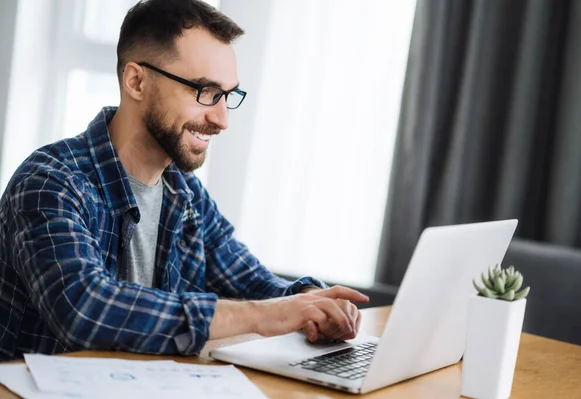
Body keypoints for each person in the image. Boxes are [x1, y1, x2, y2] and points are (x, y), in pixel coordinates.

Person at [0, 0, 369, 361]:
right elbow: (84, 309)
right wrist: (265, 314)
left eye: (227, 95)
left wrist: (311, 302)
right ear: (136, 81)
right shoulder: (50, 182)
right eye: (205, 92)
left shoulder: (184, 191)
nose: (222, 119)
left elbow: (251, 281)